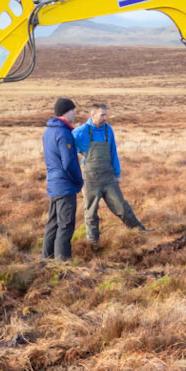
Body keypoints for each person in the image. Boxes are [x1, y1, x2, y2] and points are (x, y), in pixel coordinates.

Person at [73, 100, 144, 244]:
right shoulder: (80, 131)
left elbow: (113, 153)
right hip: (90, 178)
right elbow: (67, 146)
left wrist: (117, 174)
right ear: (93, 115)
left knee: (122, 206)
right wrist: (81, 153)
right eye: (102, 115)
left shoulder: (108, 129)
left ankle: (139, 231)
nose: (105, 118)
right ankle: (93, 240)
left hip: (109, 176)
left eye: (106, 115)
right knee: (91, 210)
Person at [42, 96, 83, 259]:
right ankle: (62, 262)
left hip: (53, 184)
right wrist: (78, 181)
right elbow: (68, 162)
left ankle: (46, 259)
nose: (75, 114)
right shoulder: (64, 133)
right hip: (65, 186)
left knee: (52, 224)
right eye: (73, 110)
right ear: (67, 112)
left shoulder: (48, 131)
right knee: (65, 225)